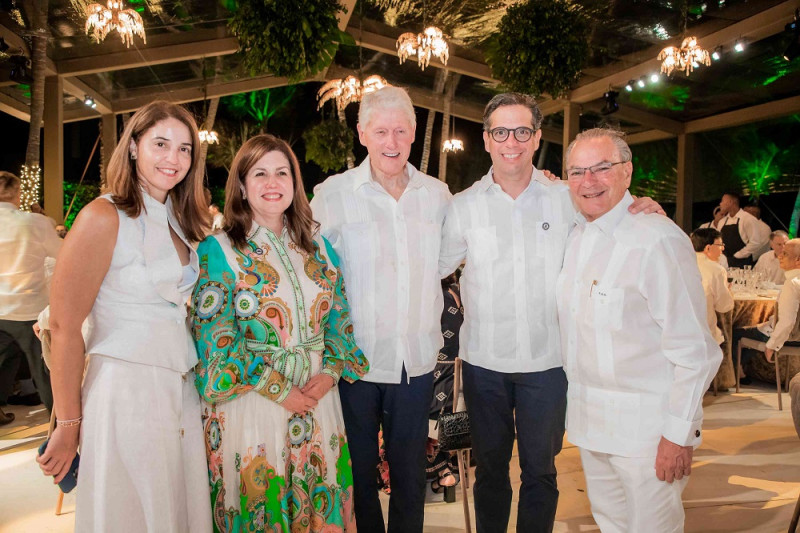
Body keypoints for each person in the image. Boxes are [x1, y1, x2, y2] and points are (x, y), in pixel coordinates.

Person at [438, 93, 664, 533]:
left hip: (549, 364)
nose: (512, 142)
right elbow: (435, 266)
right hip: (484, 364)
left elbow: (611, 216)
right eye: (500, 132)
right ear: (486, 140)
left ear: (537, 137)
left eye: (522, 131)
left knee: (540, 471)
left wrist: (642, 207)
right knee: (489, 471)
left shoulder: (565, 197)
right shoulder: (464, 205)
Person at [36, 101, 213, 532]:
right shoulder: (103, 215)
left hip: (180, 388)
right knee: (133, 512)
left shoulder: (179, 217)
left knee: (175, 510)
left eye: (185, 149)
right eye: (161, 144)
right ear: (133, 147)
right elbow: (62, 327)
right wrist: (68, 423)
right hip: (126, 390)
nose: (174, 158)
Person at [192, 134, 367, 532]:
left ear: (294, 182)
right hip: (252, 405)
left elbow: (340, 321)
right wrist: (279, 390)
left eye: (282, 173)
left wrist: (328, 376)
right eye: (260, 173)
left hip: (318, 400)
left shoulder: (320, 247)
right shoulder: (218, 250)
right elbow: (215, 339)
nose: (272, 183)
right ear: (241, 184)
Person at [556, 128, 721, 532]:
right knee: (611, 525)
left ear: (627, 172)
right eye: (576, 172)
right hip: (591, 427)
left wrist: (678, 435)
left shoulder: (657, 239)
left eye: (601, 168)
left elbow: (695, 351)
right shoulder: (576, 236)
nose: (588, 181)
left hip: (647, 434)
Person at [310, 86, 452, 532]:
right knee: (357, 471)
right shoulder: (331, 194)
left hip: (415, 360)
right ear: (362, 134)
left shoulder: (438, 194)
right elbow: (309, 264)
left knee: (410, 473)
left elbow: (449, 261)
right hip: (354, 361)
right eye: (381, 131)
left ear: (413, 134)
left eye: (401, 131)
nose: (392, 142)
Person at [0, 171, 61, 412]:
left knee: (6, 360)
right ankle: (58, 423)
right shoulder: (34, 222)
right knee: (44, 369)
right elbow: (62, 255)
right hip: (28, 308)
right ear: (17, 194)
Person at [735, 239, 800, 372]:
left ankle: (736, 375)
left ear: (798, 260)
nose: (780, 256)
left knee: (735, 333)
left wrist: (772, 346)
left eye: (785, 254)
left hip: (791, 338)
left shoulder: (792, 284)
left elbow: (787, 322)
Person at [690, 228, 734, 347]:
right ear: (708, 248)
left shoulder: (681, 263)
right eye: (720, 245)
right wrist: (728, 291)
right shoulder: (716, 270)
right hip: (704, 334)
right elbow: (724, 306)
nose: (723, 248)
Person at [712, 192, 767, 267]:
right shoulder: (722, 221)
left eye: (722, 201)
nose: (720, 204)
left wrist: (738, 255)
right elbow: (717, 241)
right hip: (725, 263)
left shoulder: (748, 219)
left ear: (730, 202)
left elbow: (755, 243)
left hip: (743, 263)